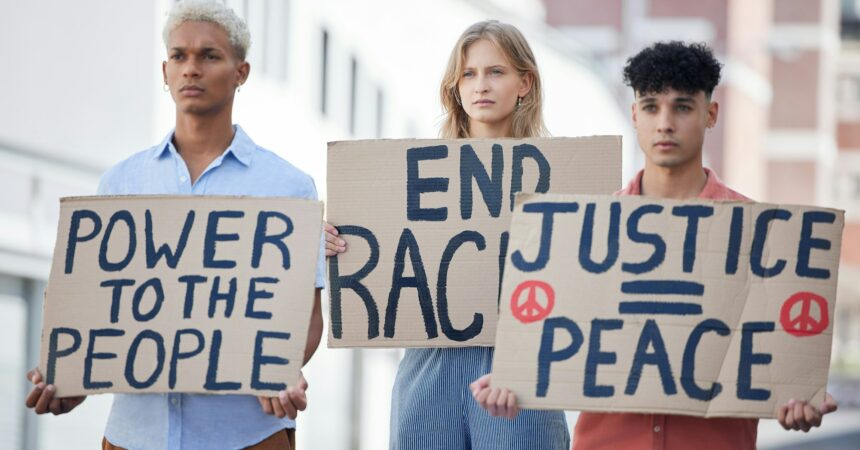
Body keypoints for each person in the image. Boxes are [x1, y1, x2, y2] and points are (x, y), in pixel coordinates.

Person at [470, 40, 839, 449]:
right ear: (634, 115)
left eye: (682, 107)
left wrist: (795, 401)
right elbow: (554, 343)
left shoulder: (764, 238)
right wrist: (515, 380)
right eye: (650, 107)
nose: (665, 123)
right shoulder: (579, 236)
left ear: (710, 114)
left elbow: (779, 362)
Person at [24, 2, 324, 449]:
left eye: (209, 56)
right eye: (179, 56)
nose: (191, 69)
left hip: (248, 436)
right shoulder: (120, 183)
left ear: (241, 72)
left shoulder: (288, 186)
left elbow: (308, 314)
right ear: (164, 72)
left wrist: (277, 370)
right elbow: (95, 306)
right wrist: (72, 379)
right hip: (134, 436)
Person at [325, 20, 570, 449]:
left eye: (496, 72)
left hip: (518, 373)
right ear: (455, 88)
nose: (481, 85)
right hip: (430, 364)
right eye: (468, 75)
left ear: (524, 83)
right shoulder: (409, 178)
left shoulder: (561, 179)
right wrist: (334, 239)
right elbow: (379, 260)